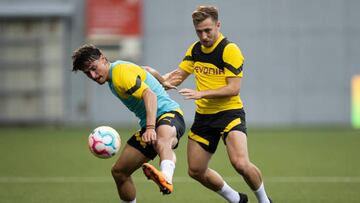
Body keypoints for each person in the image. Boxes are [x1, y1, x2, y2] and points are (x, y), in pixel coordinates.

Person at [159, 5, 272, 203]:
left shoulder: (229, 50)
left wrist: (201, 94)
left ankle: (264, 201)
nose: (203, 36)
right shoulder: (195, 50)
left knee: (240, 163)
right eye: (199, 32)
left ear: (218, 25)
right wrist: (159, 82)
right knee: (195, 170)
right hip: (204, 118)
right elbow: (178, 75)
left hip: (230, 114)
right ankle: (237, 199)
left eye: (207, 30)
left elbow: (233, 88)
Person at [72, 44, 185, 203]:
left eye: (94, 68)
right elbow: (145, 70)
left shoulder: (119, 75)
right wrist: (163, 81)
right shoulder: (117, 70)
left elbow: (149, 95)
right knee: (119, 172)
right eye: (87, 73)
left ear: (103, 59)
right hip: (150, 124)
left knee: (162, 140)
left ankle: (166, 177)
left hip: (169, 114)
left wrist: (151, 128)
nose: (93, 75)